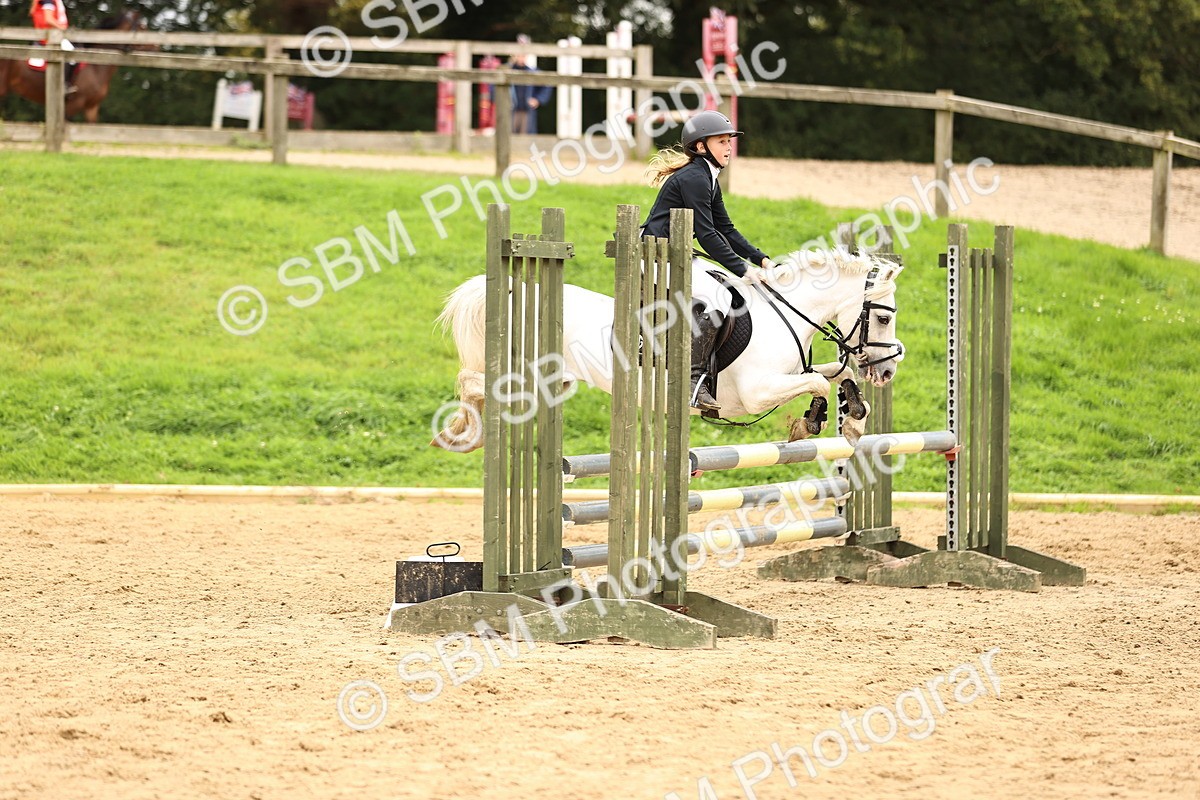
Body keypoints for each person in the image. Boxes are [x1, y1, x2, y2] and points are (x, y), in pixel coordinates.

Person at [640, 110, 776, 414]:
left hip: (675, 254)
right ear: (701, 146)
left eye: (730, 141)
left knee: (725, 286)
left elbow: (725, 228)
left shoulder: (707, 178)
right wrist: (743, 269)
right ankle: (692, 380)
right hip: (654, 256)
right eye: (722, 141)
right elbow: (707, 234)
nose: (729, 147)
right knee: (721, 294)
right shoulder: (694, 178)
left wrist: (760, 257)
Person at [29, 0, 76, 92]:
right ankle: (63, 85)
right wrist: (63, 28)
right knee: (72, 55)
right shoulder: (48, 1)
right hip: (50, 37)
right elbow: (48, 19)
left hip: (49, 35)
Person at [509, 35, 551, 134]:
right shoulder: (508, 70)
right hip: (511, 111)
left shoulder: (533, 71)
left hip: (527, 111)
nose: (521, 57)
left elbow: (547, 85)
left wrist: (538, 99)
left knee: (527, 139)